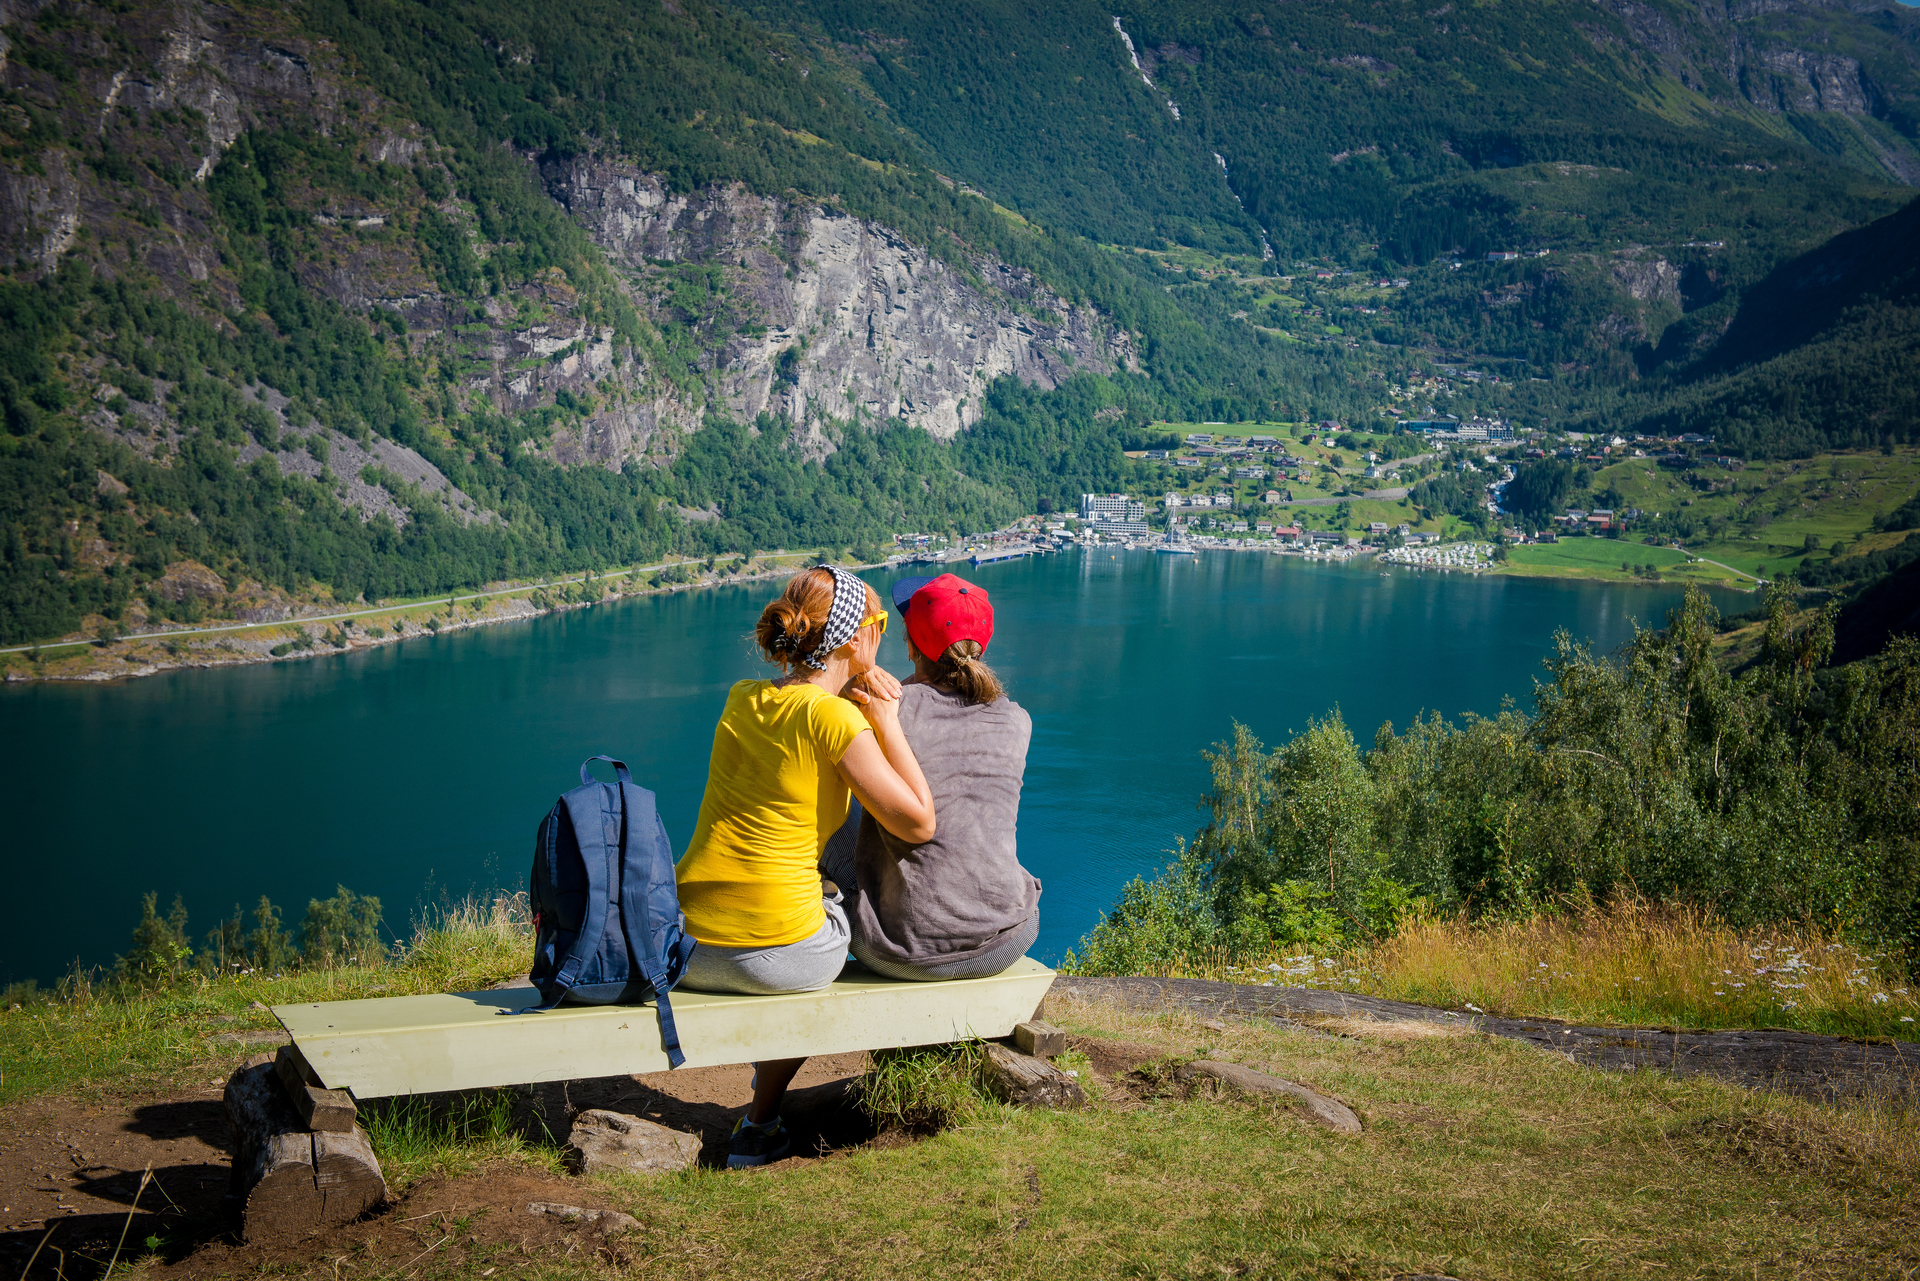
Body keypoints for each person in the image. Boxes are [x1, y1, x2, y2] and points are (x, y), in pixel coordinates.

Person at [674, 564, 935, 1168]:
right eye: (877, 623)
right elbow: (919, 822)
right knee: (841, 896)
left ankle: (761, 1119)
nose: (884, 635)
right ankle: (759, 1125)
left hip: (689, 943)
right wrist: (887, 721)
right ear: (851, 637)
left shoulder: (743, 699)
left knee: (812, 871)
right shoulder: (835, 722)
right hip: (771, 954)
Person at [827, 572, 1041, 982]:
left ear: (910, 644)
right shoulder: (1017, 720)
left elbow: (825, 716)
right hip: (1005, 941)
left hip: (899, 950)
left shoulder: (881, 710)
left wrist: (862, 684)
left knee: (833, 820)